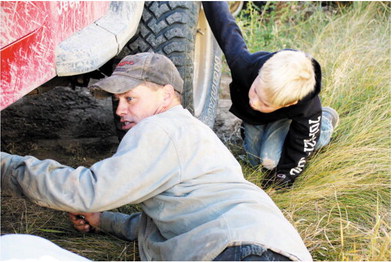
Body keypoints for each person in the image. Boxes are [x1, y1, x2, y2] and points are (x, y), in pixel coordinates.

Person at [1, 53, 312, 261]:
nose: (120, 109)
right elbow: (170, 219)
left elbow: (87, 191)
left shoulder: (162, 129)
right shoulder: (184, 133)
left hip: (243, 251)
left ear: (165, 95)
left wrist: (5, 166)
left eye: (131, 98)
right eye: (117, 100)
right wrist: (104, 221)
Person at [202, 2, 339, 188]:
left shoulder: (306, 107)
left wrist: (284, 176)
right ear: (259, 74)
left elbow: (302, 144)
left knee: (270, 161)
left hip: (288, 119)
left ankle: (325, 123)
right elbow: (226, 27)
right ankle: (271, 125)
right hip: (255, 119)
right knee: (254, 160)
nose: (254, 102)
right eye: (255, 91)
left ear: (290, 103)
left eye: (265, 103)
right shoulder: (245, 65)